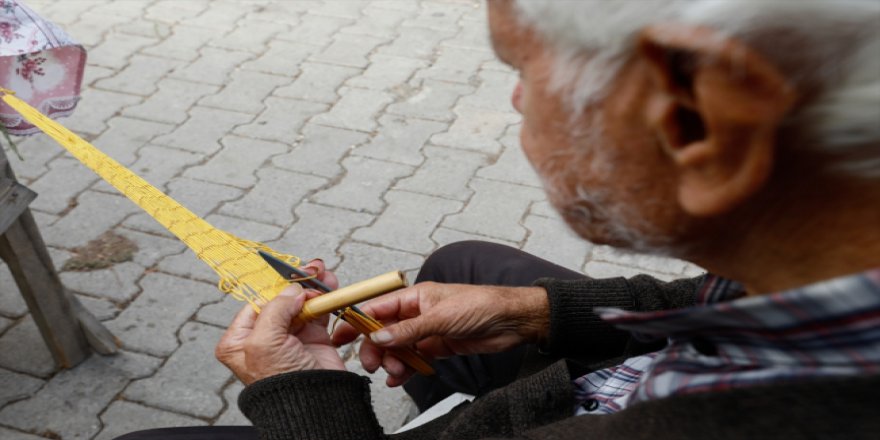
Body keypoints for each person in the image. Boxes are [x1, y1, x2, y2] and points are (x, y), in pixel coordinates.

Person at [117, 0, 880, 439]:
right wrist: (541, 312)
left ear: (697, 119)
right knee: (466, 263)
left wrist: (304, 400)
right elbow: (733, 307)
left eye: (521, 69)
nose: (516, 101)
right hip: (605, 377)